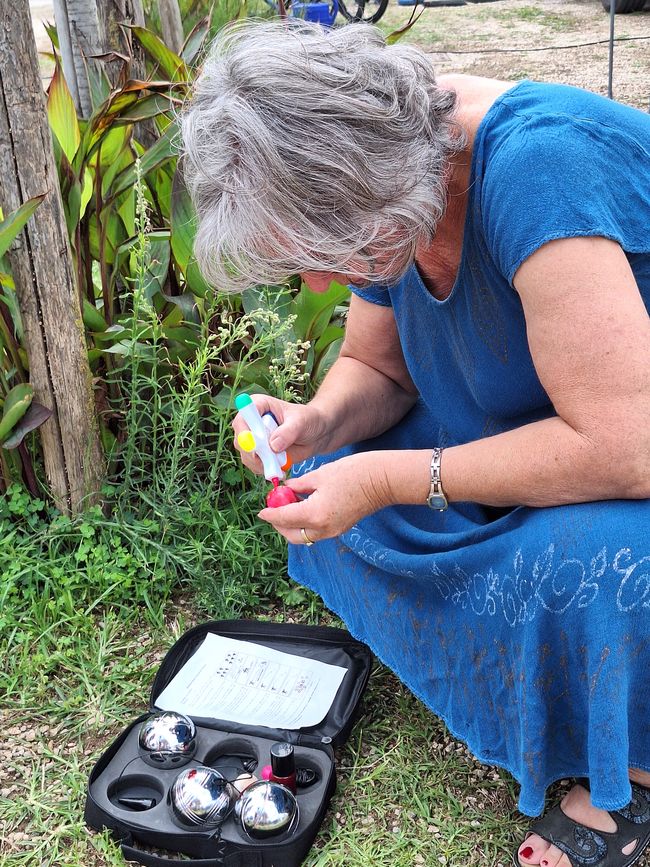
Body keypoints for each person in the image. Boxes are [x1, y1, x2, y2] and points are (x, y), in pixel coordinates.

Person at [181, 18, 650, 867]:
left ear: (367, 181)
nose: (322, 281)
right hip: (537, 421)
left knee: (603, 563)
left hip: (628, 441)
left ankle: (640, 769)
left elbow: (627, 447)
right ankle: (511, 633)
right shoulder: (387, 182)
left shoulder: (538, 169)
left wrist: (400, 476)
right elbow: (377, 367)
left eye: (326, 249)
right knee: (326, 475)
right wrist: (314, 422)